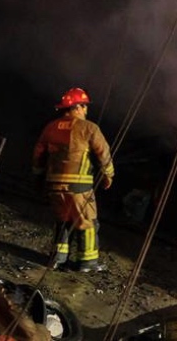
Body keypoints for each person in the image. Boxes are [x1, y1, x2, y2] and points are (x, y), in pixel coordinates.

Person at [32, 87, 114, 273]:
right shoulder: (89, 128)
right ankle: (88, 262)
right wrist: (109, 174)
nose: (86, 110)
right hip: (79, 187)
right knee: (87, 222)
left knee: (63, 221)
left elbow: (38, 155)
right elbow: (103, 154)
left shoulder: (50, 128)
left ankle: (57, 260)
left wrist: (38, 176)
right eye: (84, 106)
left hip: (54, 186)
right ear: (76, 107)